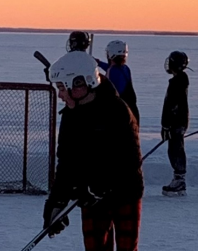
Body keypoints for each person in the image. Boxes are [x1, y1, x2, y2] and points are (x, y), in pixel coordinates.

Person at [43, 51, 144, 251]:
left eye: (62, 88)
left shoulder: (117, 111)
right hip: (90, 196)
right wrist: (56, 204)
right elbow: (66, 162)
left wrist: (98, 186)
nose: (60, 95)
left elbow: (129, 160)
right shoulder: (71, 115)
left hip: (125, 192)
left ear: (80, 84)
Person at [161, 51, 191, 196]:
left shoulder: (177, 83)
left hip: (176, 122)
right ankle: (178, 178)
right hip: (178, 121)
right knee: (174, 148)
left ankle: (180, 180)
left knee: (176, 149)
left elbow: (171, 106)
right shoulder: (179, 81)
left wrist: (166, 125)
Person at [95, 40, 140, 125]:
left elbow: (111, 93)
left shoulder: (113, 71)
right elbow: (111, 69)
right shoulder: (125, 68)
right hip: (131, 111)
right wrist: (99, 63)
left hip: (120, 114)